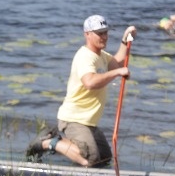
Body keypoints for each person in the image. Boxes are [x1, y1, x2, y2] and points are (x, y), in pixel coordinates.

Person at [27, 15, 137, 167]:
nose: (104, 37)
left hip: (88, 121)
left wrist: (125, 40)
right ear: (87, 34)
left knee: (104, 159)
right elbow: (90, 82)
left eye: (106, 32)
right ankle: (48, 142)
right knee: (90, 160)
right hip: (74, 119)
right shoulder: (85, 57)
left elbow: (118, 63)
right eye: (100, 33)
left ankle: (66, 145)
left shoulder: (102, 56)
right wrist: (117, 73)